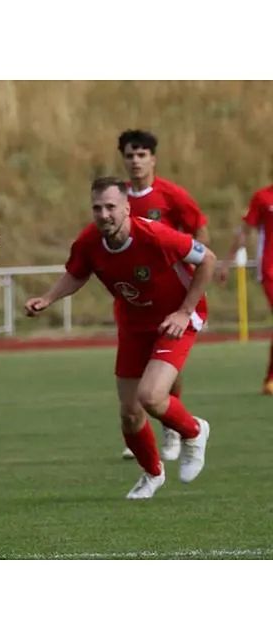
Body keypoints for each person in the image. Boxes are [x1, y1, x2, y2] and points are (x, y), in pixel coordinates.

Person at [25, 177, 213, 500]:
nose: (103, 214)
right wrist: (48, 298)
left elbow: (207, 259)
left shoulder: (154, 235)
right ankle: (153, 474)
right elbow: (77, 273)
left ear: (127, 208)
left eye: (111, 207)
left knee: (151, 397)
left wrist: (184, 311)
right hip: (132, 324)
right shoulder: (89, 242)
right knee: (129, 413)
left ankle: (194, 431)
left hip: (174, 320)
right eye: (97, 208)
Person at [118, 129, 210, 461]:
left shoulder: (171, 195)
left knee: (165, 364)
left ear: (153, 158)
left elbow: (199, 229)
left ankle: (172, 426)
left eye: (142, 155)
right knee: (139, 372)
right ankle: (144, 430)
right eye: (130, 155)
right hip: (137, 294)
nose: (136, 161)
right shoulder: (117, 199)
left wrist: (192, 262)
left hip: (170, 293)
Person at [218, 180, 273, 395]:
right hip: (270, 270)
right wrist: (226, 262)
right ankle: (270, 379)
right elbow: (245, 231)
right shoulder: (263, 197)